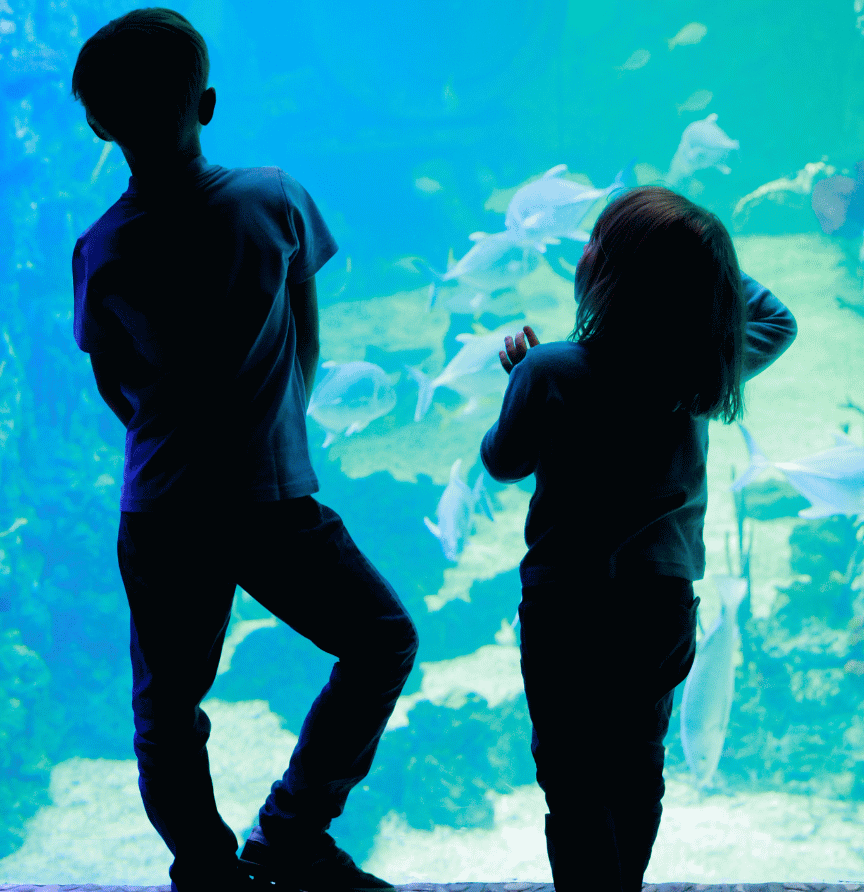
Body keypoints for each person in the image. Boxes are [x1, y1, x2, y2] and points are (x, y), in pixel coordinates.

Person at [67, 10, 418, 892]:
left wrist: (177, 434)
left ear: (98, 126)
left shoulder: (101, 248)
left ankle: (206, 869)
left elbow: (117, 384)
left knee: (168, 705)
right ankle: (292, 833)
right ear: (209, 104)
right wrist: (272, 425)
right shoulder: (275, 198)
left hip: (162, 510)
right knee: (380, 641)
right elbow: (307, 337)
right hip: (271, 497)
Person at [480, 185, 797, 892]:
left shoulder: (550, 369)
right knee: (635, 768)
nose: (582, 246)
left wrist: (520, 384)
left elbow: (501, 461)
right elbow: (777, 317)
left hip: (571, 609)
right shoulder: (698, 371)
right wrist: (701, 262)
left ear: (609, 272)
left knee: (572, 778)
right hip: (660, 606)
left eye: (596, 239)